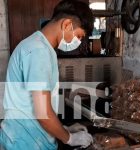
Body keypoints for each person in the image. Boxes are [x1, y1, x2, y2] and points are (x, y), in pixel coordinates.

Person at [0, 0, 94, 149]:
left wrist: (63, 128)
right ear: (67, 25)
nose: (79, 42)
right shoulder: (39, 52)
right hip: (26, 143)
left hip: (26, 138)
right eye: (79, 36)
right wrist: (69, 138)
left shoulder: (38, 46)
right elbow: (42, 113)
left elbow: (35, 107)